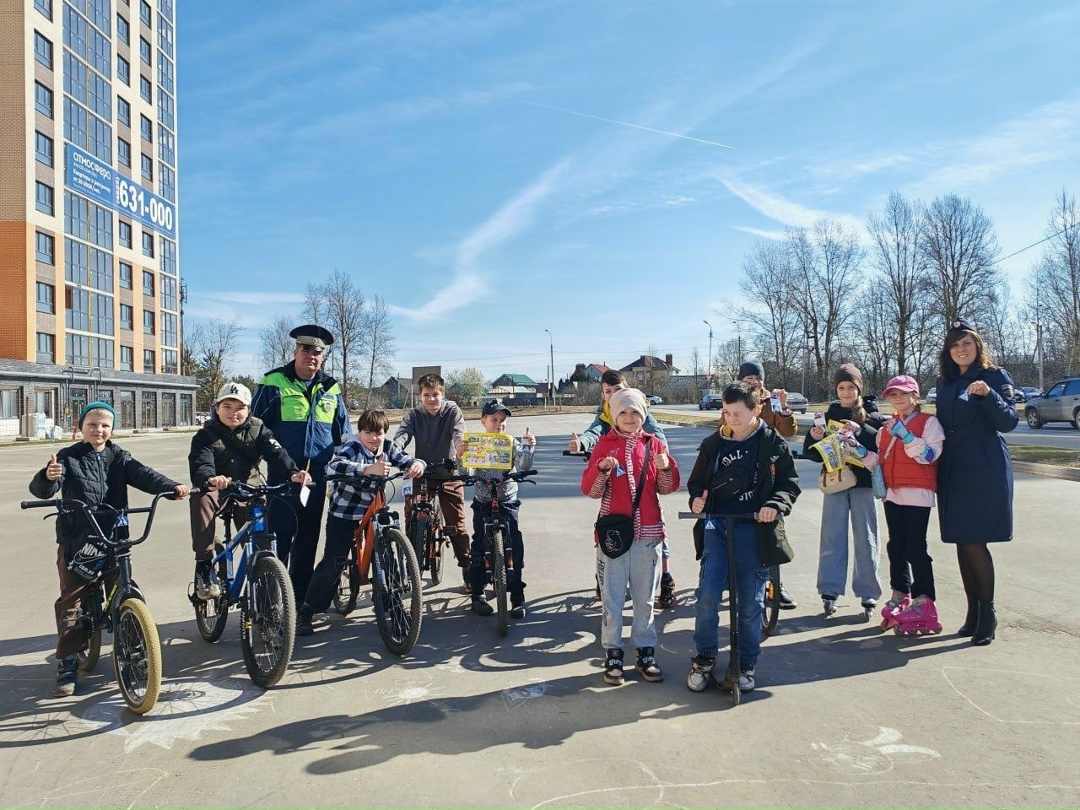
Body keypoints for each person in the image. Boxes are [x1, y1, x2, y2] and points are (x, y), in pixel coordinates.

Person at [28, 401, 189, 696]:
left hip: (115, 535)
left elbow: (143, 474)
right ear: (81, 427)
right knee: (72, 599)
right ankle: (67, 661)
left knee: (126, 586)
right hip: (78, 538)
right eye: (92, 425)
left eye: (105, 425)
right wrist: (48, 477)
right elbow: (44, 489)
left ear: (112, 429)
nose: (98, 430)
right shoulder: (68, 456)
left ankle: (136, 644)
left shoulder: (119, 456)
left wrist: (171, 486)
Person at [685, 382, 800, 693]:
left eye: (738, 413)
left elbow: (789, 485)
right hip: (718, 527)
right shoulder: (714, 444)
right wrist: (697, 500)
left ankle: (747, 662)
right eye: (726, 412)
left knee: (750, 602)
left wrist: (774, 506)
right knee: (707, 596)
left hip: (755, 529)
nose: (731, 419)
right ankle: (705, 657)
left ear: (756, 410)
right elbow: (696, 485)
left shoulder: (772, 444)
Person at [581, 388, 680, 686]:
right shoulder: (604, 445)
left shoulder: (655, 444)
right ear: (613, 414)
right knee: (612, 598)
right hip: (613, 537)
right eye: (622, 412)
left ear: (643, 415)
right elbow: (590, 490)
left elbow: (668, 487)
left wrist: (666, 467)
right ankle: (612, 653)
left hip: (648, 535)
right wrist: (601, 470)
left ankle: (645, 651)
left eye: (634, 412)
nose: (628, 417)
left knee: (644, 599)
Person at [298, 410, 425, 636]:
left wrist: (417, 464)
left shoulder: (386, 447)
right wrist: (366, 469)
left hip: (374, 508)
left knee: (387, 553)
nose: (374, 438)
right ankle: (308, 610)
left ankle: (391, 601)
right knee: (335, 560)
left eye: (378, 433)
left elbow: (403, 459)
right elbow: (333, 467)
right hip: (345, 512)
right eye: (368, 433)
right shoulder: (353, 447)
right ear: (360, 432)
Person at [251, 324, 350, 605]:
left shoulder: (331, 387)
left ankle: (298, 606)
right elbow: (256, 430)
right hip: (283, 477)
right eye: (306, 349)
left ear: (322, 356)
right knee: (280, 541)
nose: (311, 356)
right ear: (295, 351)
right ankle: (271, 605)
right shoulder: (273, 382)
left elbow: (343, 433)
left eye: (317, 352)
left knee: (307, 542)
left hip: (317, 478)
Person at [934, 318, 1018, 646]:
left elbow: (1009, 421)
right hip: (953, 465)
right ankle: (973, 612)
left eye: (966, 343)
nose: (961, 349)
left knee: (975, 541)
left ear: (977, 345)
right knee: (960, 540)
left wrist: (989, 396)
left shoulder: (994, 376)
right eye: (955, 345)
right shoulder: (945, 380)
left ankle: (989, 613)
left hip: (984, 464)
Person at [188, 382, 312, 600]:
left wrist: (293, 473)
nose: (233, 413)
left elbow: (277, 452)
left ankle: (265, 586)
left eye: (240, 408)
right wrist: (210, 478)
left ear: (249, 410)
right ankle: (204, 566)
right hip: (219, 488)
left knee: (260, 539)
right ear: (217, 408)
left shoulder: (259, 429)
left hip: (248, 488)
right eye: (227, 406)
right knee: (201, 500)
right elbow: (201, 462)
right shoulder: (205, 435)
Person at [567, 370, 677, 610]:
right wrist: (583, 444)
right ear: (603, 396)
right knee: (607, 526)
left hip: (642, 474)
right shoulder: (606, 414)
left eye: (618, 390)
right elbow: (594, 432)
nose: (614, 396)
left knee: (655, 529)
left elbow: (656, 434)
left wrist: (662, 456)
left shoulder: (636, 408)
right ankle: (604, 576)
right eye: (608, 392)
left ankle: (666, 578)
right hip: (612, 468)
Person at [803, 363, 885, 617]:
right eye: (841, 387)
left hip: (862, 485)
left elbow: (881, 444)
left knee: (866, 538)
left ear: (859, 388)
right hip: (835, 483)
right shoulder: (829, 415)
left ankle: (868, 592)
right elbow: (811, 454)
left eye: (851, 387)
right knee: (832, 537)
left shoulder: (872, 414)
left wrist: (860, 431)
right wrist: (815, 438)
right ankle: (829, 590)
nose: (846, 392)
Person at [872, 375, 945, 634]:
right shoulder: (885, 428)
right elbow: (880, 460)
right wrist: (855, 452)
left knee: (915, 547)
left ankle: (924, 599)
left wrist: (906, 436)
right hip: (893, 493)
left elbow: (929, 456)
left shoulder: (929, 423)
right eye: (893, 394)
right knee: (896, 546)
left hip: (917, 492)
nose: (898, 398)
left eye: (903, 393)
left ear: (916, 396)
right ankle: (900, 593)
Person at [455, 400, 536, 618]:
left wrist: (528, 446)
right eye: (494, 419)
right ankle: (478, 594)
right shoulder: (475, 443)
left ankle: (517, 598)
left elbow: (524, 466)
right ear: (483, 421)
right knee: (480, 545)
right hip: (483, 500)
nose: (499, 424)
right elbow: (466, 472)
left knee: (515, 545)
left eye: (502, 420)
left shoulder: (510, 442)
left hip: (507, 499)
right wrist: (460, 455)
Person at [392, 373, 472, 587]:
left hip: (448, 472)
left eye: (435, 394)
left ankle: (467, 569)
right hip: (421, 472)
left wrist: (461, 447)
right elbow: (402, 434)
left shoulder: (452, 411)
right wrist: (393, 450)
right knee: (411, 513)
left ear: (442, 394)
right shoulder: (414, 414)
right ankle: (411, 566)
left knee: (457, 525)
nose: (431, 399)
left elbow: (459, 433)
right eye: (426, 395)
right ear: (420, 396)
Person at [737, 360, 798, 610]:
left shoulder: (771, 401)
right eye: (748, 378)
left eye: (756, 378)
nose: (753, 382)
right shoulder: (734, 398)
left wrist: (783, 410)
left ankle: (775, 585)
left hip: (769, 474)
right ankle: (735, 579)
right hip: (741, 475)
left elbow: (788, 432)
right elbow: (724, 429)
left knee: (772, 531)